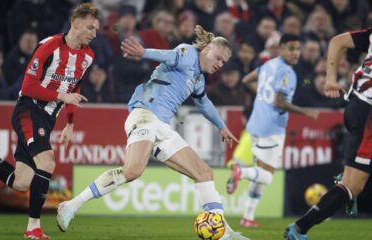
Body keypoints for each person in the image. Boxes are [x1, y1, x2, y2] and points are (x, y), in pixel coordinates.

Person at [56, 25, 249, 240]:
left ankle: (224, 234)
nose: (219, 65)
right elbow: (166, 55)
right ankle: (71, 205)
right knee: (132, 172)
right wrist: (143, 53)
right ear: (207, 49)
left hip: (162, 127)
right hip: (144, 115)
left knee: (204, 173)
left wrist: (221, 126)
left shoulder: (198, 79)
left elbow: (204, 104)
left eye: (223, 62)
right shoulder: (187, 54)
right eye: (218, 58)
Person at [0, 3, 99, 239]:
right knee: (47, 163)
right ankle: (33, 228)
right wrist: (61, 96)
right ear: (76, 24)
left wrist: (69, 124)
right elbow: (28, 86)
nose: (94, 33)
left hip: (48, 119)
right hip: (29, 109)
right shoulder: (49, 46)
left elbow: (75, 88)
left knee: (21, 183)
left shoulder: (88, 56)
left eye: (96, 29)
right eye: (90, 28)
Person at [284, 25, 372, 240]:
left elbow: (337, 41)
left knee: (358, 179)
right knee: (352, 185)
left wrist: (331, 78)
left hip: (360, 104)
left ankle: (351, 181)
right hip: (371, 113)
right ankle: (299, 229)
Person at [226, 34, 320, 228]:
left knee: (261, 173)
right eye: (291, 48)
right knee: (267, 176)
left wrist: (262, 94)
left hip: (255, 124)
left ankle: (248, 217)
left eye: (298, 49)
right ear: (281, 48)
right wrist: (305, 111)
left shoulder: (269, 64)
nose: (296, 53)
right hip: (271, 128)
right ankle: (240, 172)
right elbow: (279, 102)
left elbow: (246, 79)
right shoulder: (287, 72)